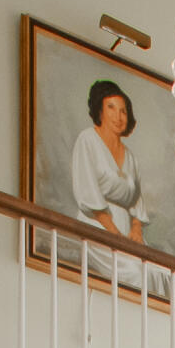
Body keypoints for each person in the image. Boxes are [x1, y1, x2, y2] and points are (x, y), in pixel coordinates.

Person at [69, 80, 148, 245]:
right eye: (111, 108)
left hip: (126, 232)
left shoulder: (130, 157)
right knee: (132, 269)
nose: (118, 117)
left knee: (156, 271)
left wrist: (135, 229)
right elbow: (88, 194)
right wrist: (115, 235)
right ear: (100, 111)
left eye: (123, 111)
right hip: (96, 226)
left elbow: (137, 201)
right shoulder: (88, 140)